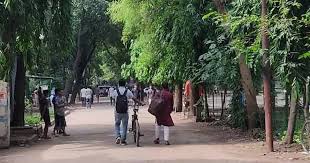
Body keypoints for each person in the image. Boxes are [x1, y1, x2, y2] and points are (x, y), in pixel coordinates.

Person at [112, 79, 143, 145]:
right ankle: (123, 140)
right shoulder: (127, 91)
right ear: (125, 84)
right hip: (125, 111)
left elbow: (113, 98)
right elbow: (134, 98)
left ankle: (118, 136)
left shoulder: (115, 91)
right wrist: (140, 103)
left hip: (117, 111)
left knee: (117, 124)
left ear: (118, 84)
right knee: (124, 125)